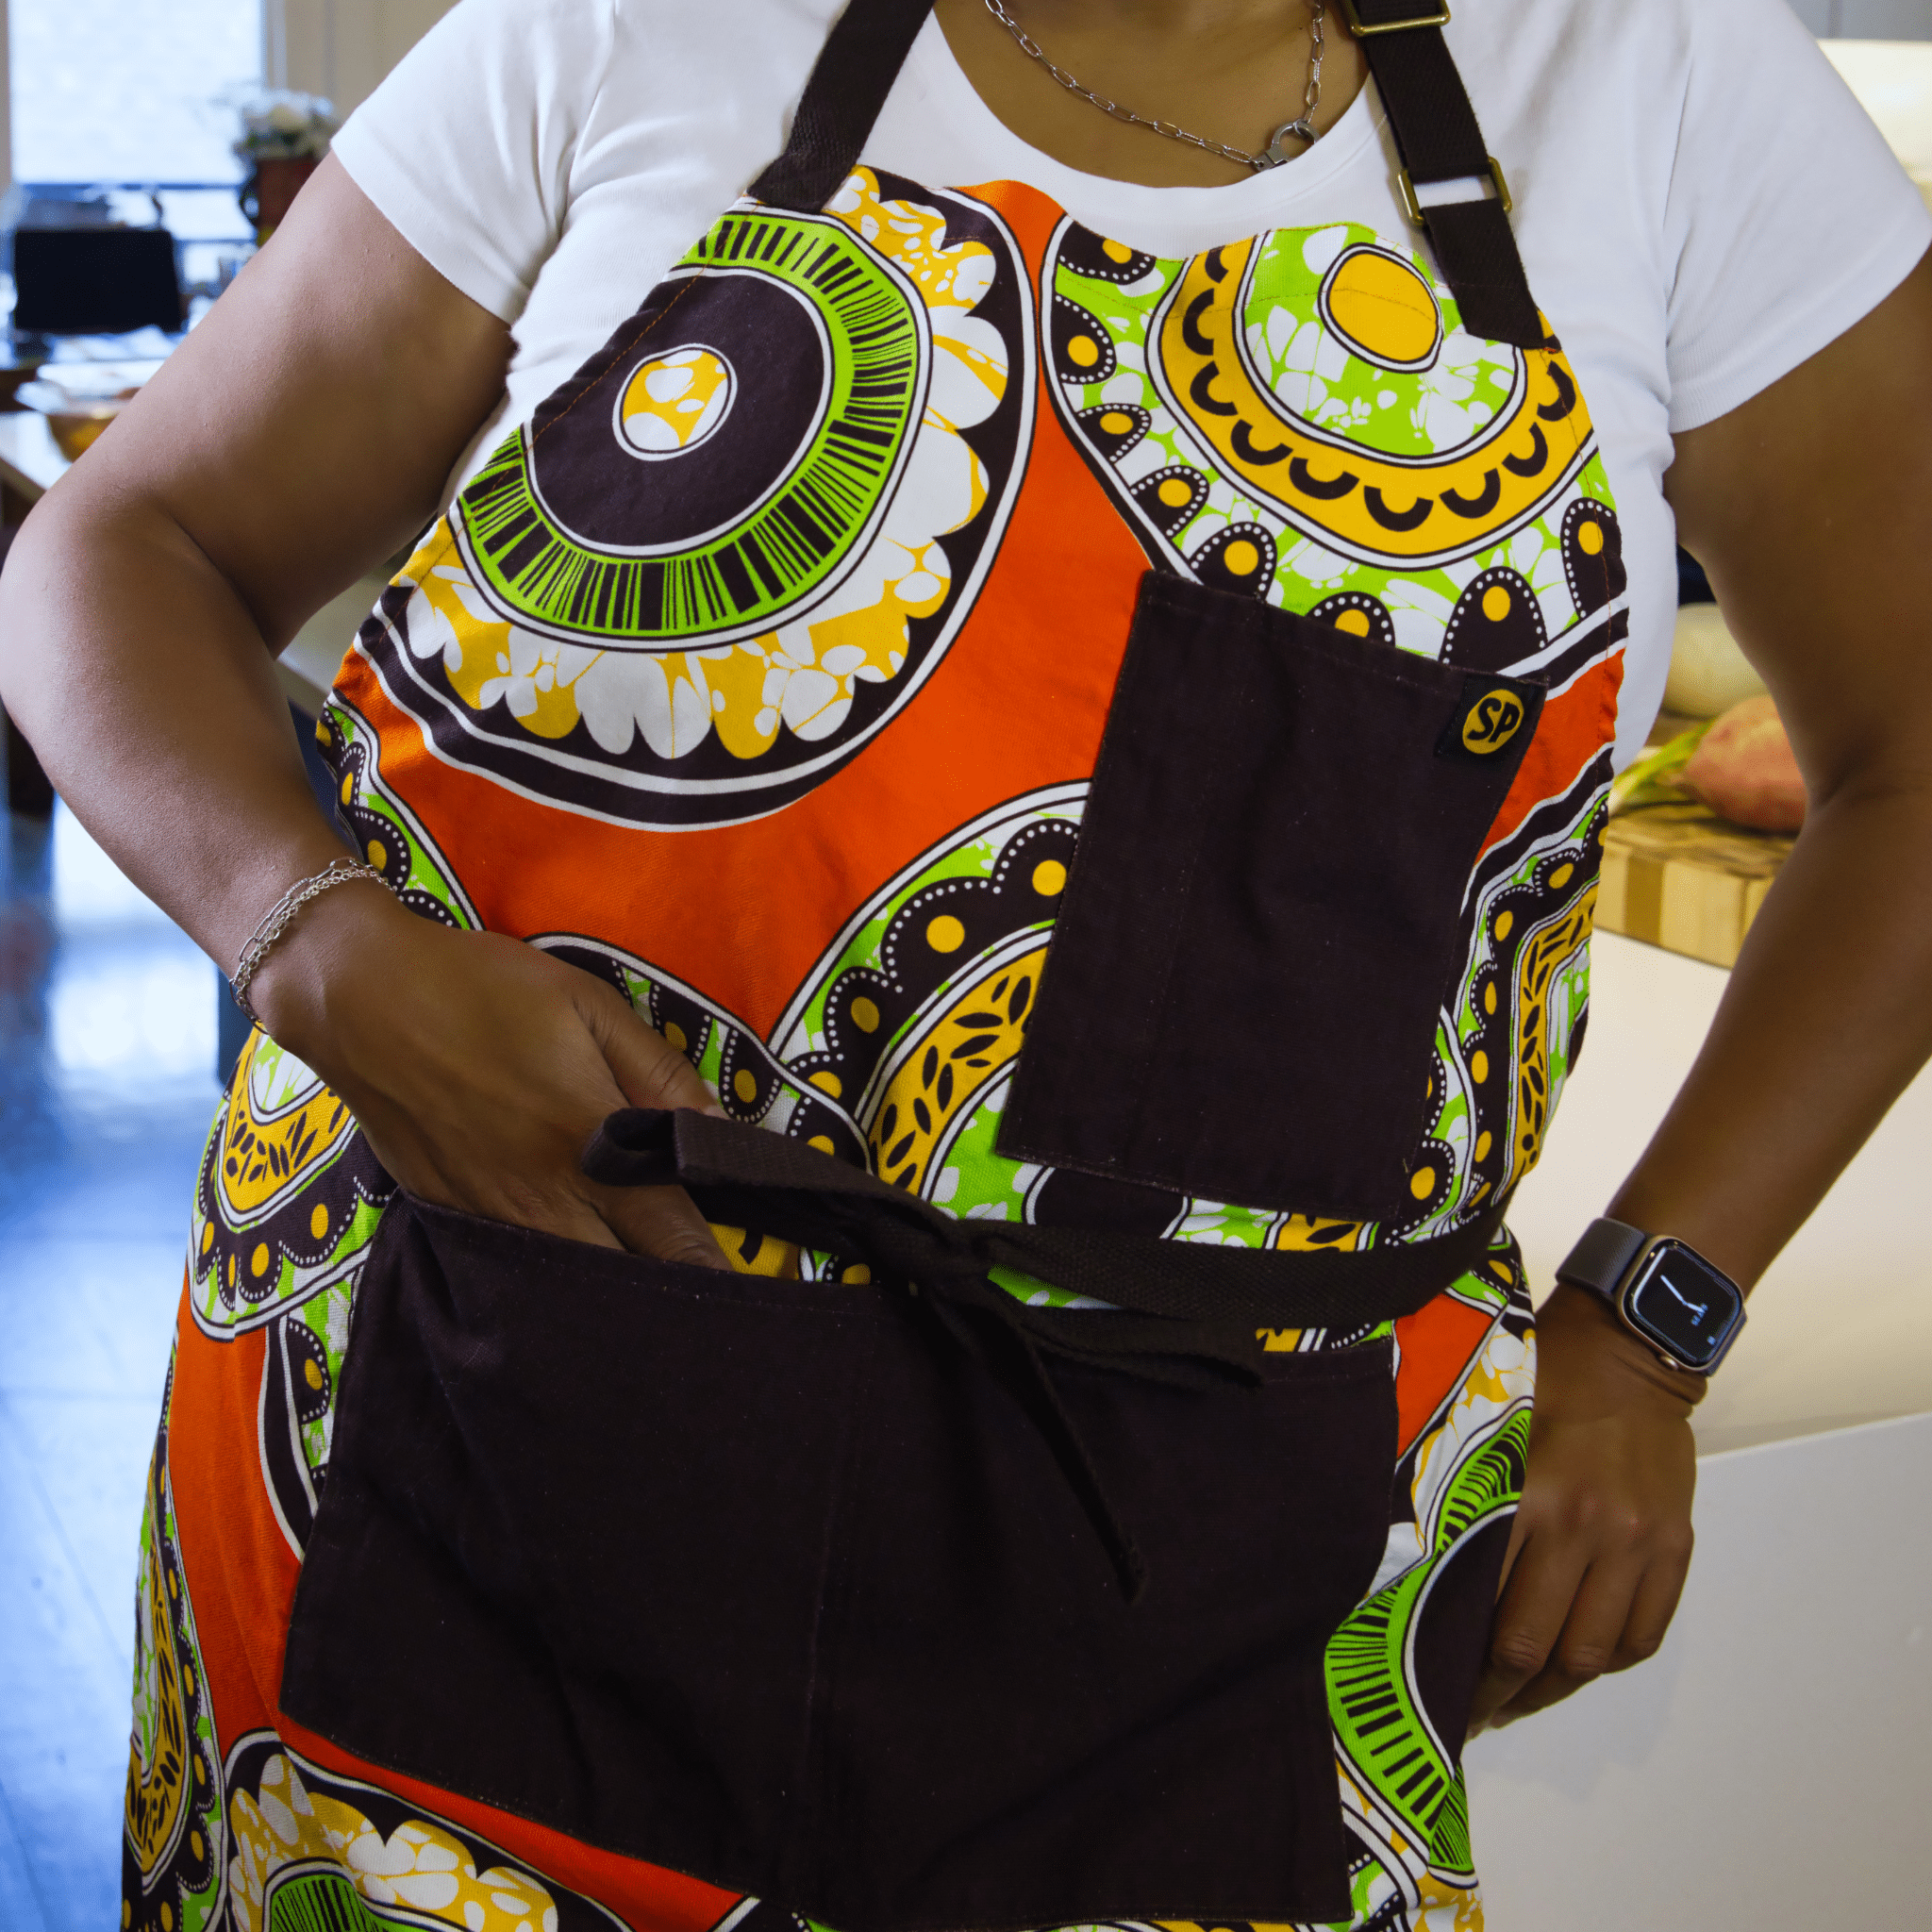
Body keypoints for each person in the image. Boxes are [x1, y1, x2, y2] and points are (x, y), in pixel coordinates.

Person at [4, 0, 1930, 1927]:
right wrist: (317, 946)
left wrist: (1644, 1322)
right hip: (462, 1428)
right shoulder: (625, 30)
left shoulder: (1655, 80)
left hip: (1192, 1578)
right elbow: (115, 545)